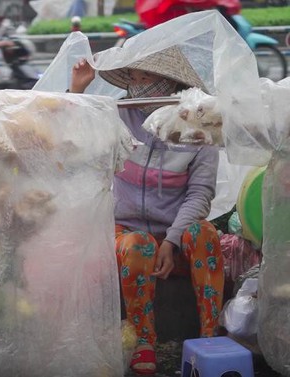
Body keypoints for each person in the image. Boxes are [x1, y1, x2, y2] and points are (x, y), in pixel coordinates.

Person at [69, 46, 224, 375]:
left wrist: (172, 240)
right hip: (125, 232)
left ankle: (211, 336)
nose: (137, 85)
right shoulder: (119, 113)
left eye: (146, 77)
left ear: (168, 82)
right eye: (134, 78)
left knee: (204, 233)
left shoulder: (198, 126)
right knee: (138, 245)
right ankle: (143, 340)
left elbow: (200, 194)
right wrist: (78, 89)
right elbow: (72, 132)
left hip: (174, 233)